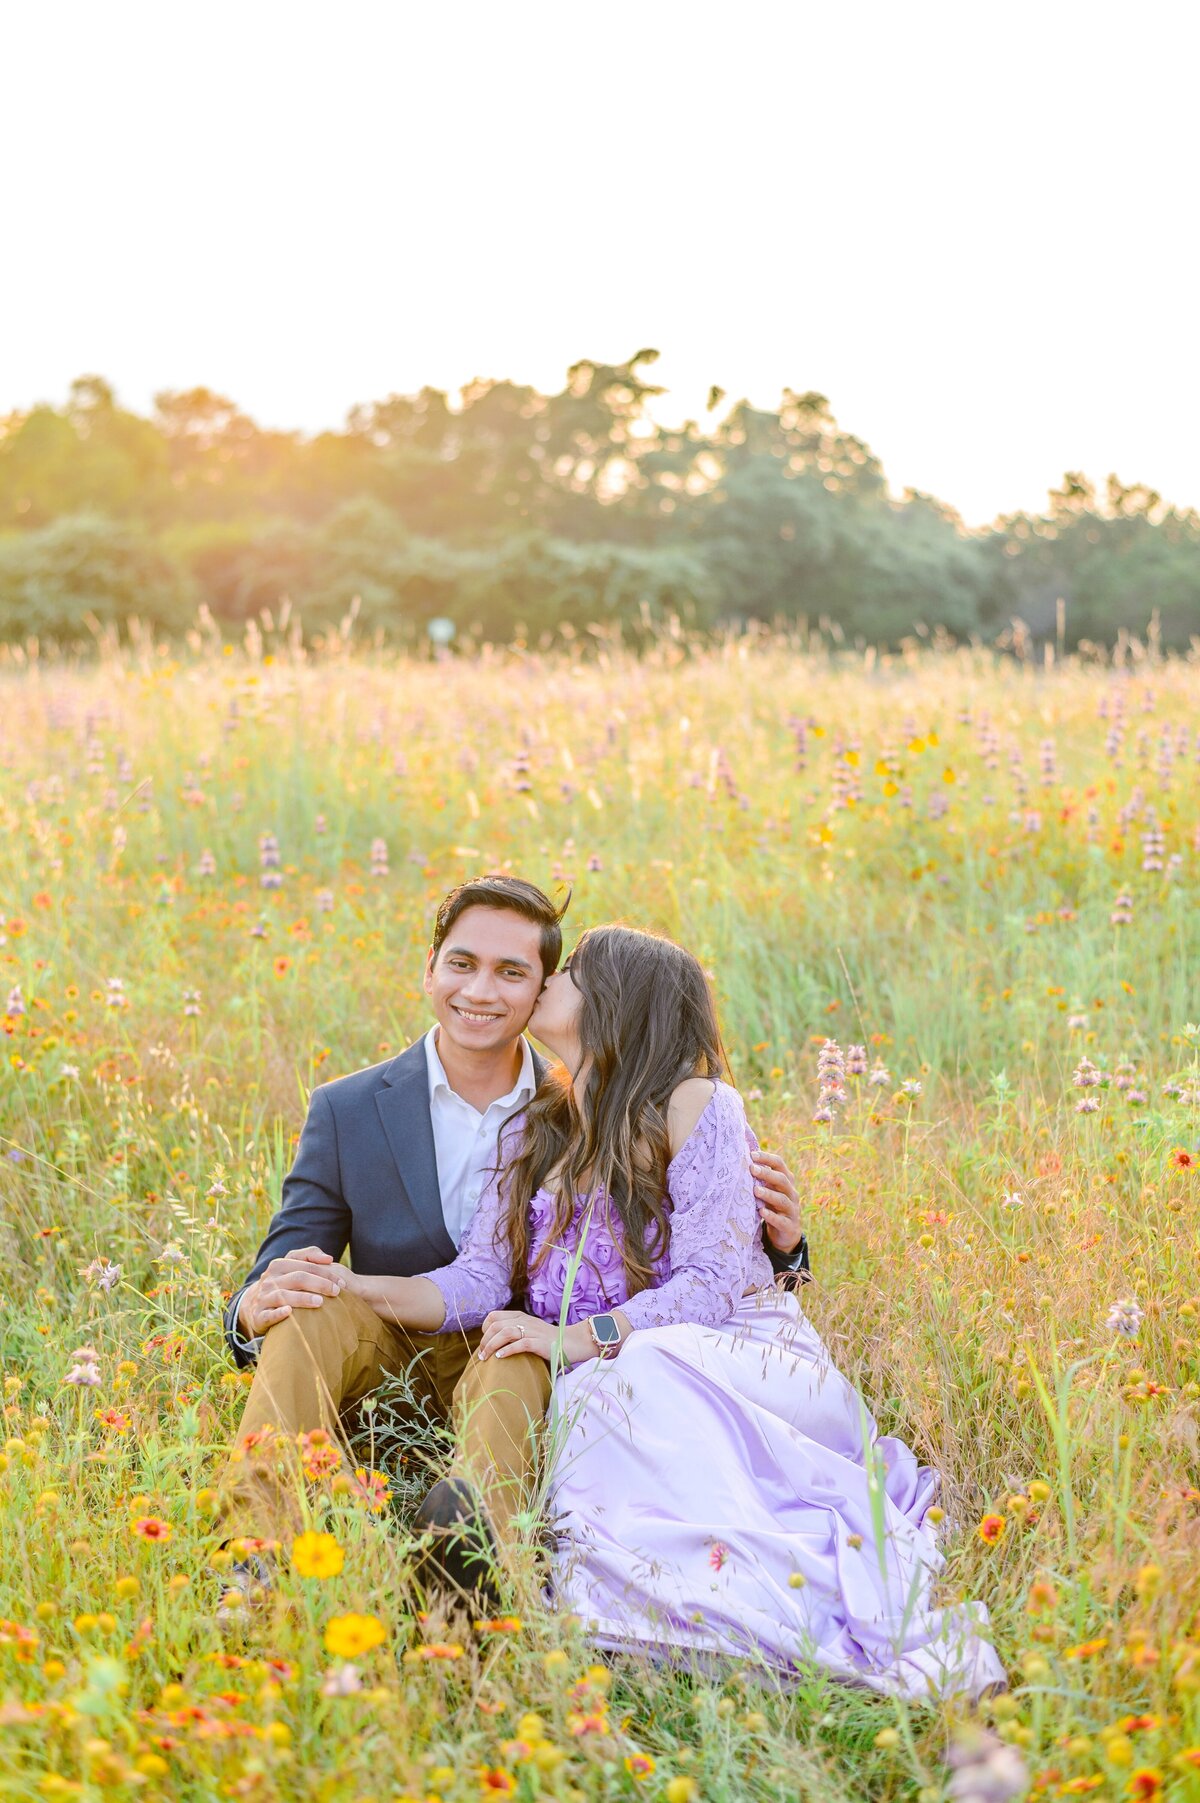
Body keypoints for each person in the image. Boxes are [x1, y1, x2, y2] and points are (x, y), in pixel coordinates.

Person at [342, 925, 1007, 1703]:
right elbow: (480, 1278)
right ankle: (593, 1608)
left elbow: (712, 1284)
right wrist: (352, 1287)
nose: (548, 979)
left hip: (730, 1350)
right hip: (615, 1360)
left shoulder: (699, 1106)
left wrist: (570, 1339)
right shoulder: (533, 1125)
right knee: (602, 1383)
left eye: (573, 972)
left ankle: (689, 1608)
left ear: (618, 1003)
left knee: (626, 1375)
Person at [216, 878, 808, 1572]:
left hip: (533, 1362)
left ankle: (472, 1558)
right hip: (412, 1348)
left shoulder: (605, 1105)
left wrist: (785, 1249)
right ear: (429, 968)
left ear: (543, 993)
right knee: (317, 1300)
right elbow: (469, 1273)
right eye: (462, 964)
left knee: (512, 1354)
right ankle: (248, 1558)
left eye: (519, 973)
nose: (482, 991)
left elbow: (711, 1260)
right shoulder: (364, 1111)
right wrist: (298, 1293)